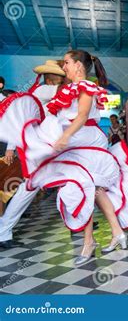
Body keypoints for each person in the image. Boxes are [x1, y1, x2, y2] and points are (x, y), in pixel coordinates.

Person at [0, 50, 128, 264]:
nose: (63, 67)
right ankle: (116, 231)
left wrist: (64, 136)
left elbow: (82, 116)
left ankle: (89, 242)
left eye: (66, 63)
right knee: (93, 189)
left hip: (82, 140)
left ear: (78, 66)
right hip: (79, 140)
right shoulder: (65, 88)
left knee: (80, 186)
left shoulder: (83, 86)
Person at [0, 60, 66, 249]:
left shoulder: (47, 91)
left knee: (65, 180)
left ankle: (77, 222)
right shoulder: (45, 90)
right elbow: (21, 121)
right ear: (55, 77)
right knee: (29, 188)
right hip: (40, 148)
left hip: (49, 147)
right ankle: (3, 230)